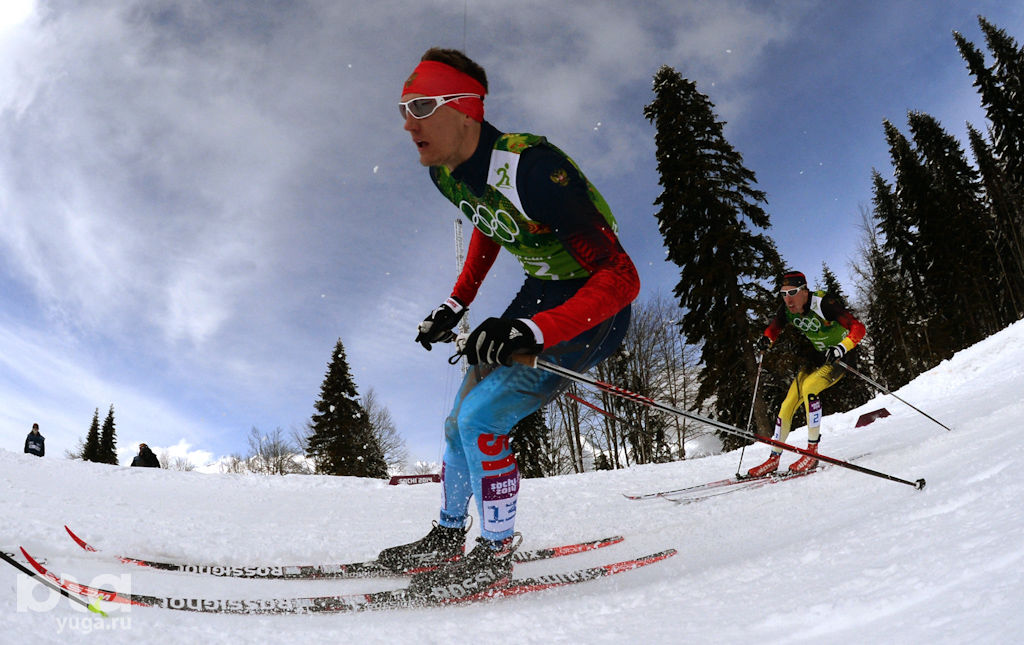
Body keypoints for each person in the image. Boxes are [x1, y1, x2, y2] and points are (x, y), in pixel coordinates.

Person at [381, 47, 639, 598]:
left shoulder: (534, 166)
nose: (408, 123)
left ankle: (495, 554)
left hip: (592, 305)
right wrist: (456, 304)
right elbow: (489, 222)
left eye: (422, 105)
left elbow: (622, 277)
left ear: (468, 109)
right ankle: (450, 535)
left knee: (481, 420)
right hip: (538, 293)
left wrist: (535, 332)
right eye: (403, 107)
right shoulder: (445, 175)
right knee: (456, 423)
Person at [746, 270, 866, 477]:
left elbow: (859, 328)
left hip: (840, 357)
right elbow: (774, 328)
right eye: (783, 294)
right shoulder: (787, 309)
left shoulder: (823, 303)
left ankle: (812, 452)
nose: (788, 299)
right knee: (788, 402)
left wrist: (841, 347)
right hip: (817, 357)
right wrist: (767, 339)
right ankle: (773, 458)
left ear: (804, 290)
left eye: (792, 292)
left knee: (810, 387)